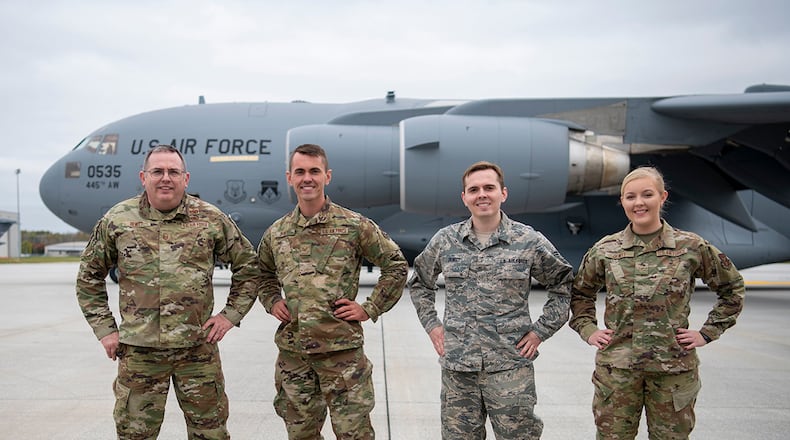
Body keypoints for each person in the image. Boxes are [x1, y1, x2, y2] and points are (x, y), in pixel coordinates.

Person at [76, 144, 261, 439]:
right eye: (157, 171)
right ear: (143, 177)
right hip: (140, 355)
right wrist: (105, 330)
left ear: (185, 179)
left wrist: (229, 316)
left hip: (197, 353)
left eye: (173, 172)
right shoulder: (118, 220)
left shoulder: (210, 219)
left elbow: (250, 268)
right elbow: (88, 277)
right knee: (135, 435)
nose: (165, 178)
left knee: (210, 434)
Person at [569, 165, 746, 439]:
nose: (639, 203)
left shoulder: (691, 247)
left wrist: (708, 332)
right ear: (622, 202)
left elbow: (732, 288)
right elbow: (581, 293)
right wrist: (588, 330)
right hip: (617, 372)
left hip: (672, 371)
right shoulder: (606, 249)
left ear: (663, 197)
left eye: (647, 194)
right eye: (630, 197)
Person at [409, 161, 574, 440]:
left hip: (510, 368)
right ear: (464, 197)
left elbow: (564, 285)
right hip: (459, 370)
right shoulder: (446, 241)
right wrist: (433, 326)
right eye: (473, 189)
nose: (481, 194)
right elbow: (420, 284)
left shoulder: (528, 241)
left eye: (489, 187)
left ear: (503, 193)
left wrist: (540, 332)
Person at [257, 143, 408, 440]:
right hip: (294, 356)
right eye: (300, 172)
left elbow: (396, 265)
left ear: (327, 176)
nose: (307, 178)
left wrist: (370, 307)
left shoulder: (353, 225)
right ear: (290, 177)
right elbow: (262, 274)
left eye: (314, 171)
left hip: (342, 356)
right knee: (300, 434)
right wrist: (272, 301)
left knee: (354, 434)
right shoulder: (277, 231)